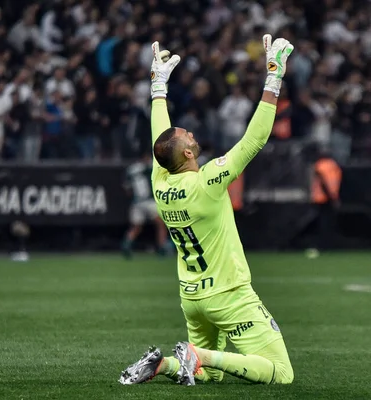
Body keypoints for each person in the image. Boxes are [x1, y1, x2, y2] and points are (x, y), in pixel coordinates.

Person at [120, 35, 294, 386]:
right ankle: (196, 354)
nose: (190, 133)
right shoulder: (208, 182)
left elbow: (160, 134)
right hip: (228, 295)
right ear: (186, 154)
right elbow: (254, 140)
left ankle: (164, 364)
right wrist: (273, 77)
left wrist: (158, 87)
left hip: (191, 297)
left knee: (211, 376)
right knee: (281, 373)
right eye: (186, 136)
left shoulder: (160, 181)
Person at [121, 151, 170, 259]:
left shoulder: (131, 169)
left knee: (136, 227)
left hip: (137, 202)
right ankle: (162, 248)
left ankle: (126, 244)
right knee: (161, 225)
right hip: (149, 201)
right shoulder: (148, 167)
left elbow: (127, 189)